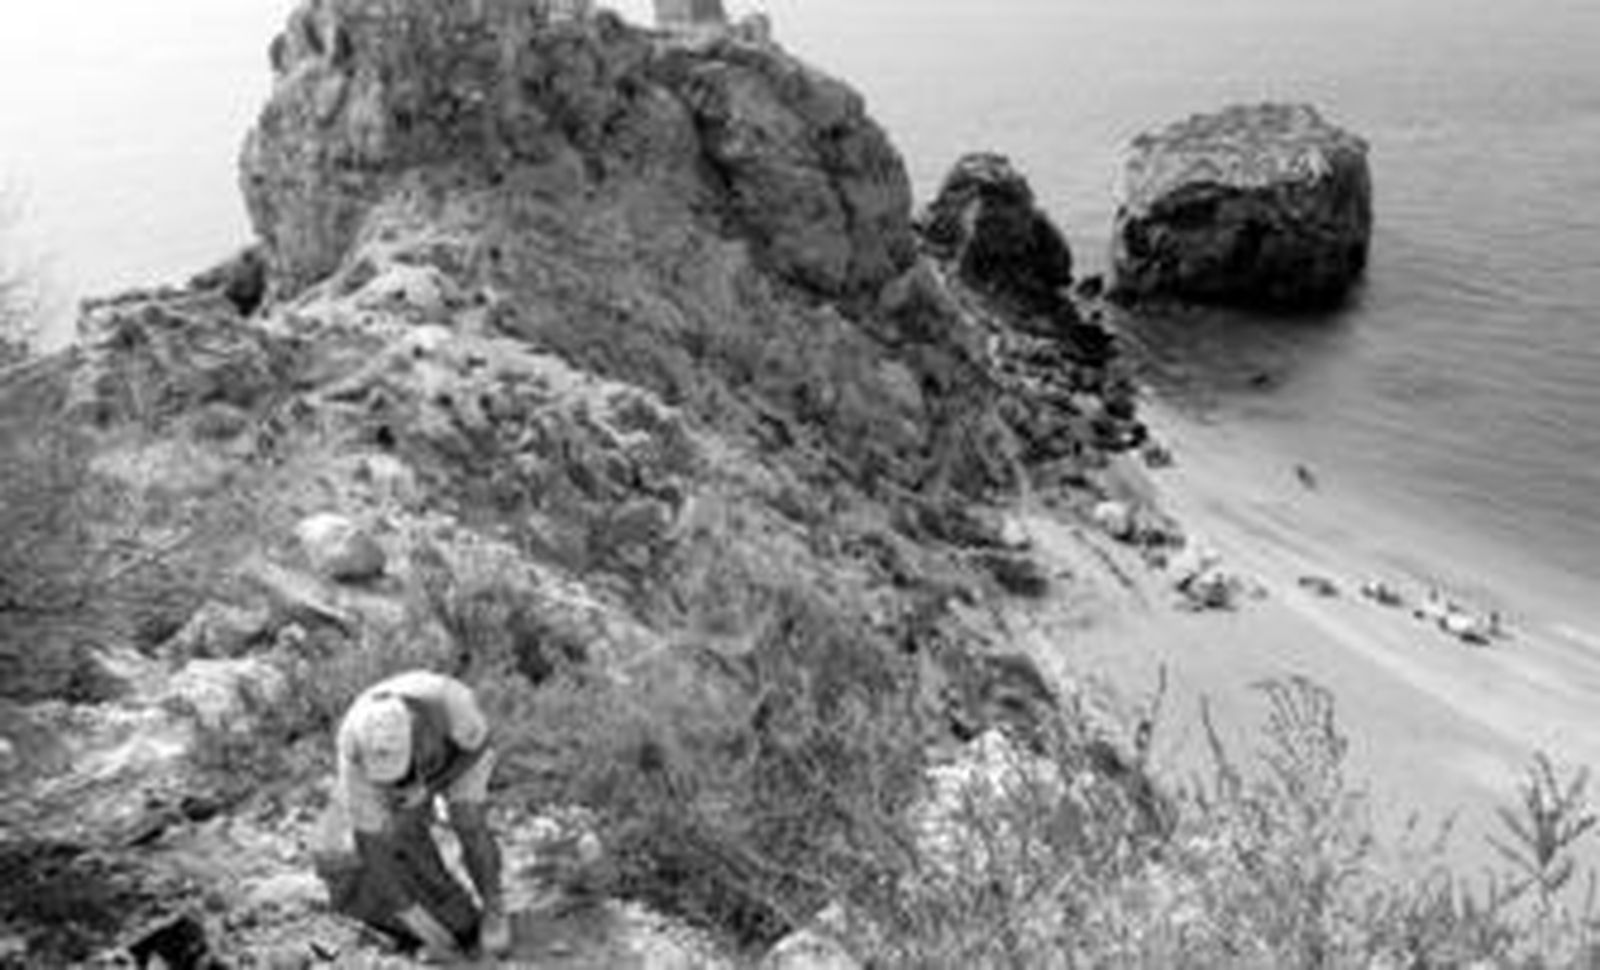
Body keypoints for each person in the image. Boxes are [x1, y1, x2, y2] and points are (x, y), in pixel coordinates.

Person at [313, 670, 512, 962]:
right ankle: (447, 905)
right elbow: (371, 845)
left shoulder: (451, 706)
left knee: (467, 819)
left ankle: (494, 907)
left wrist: (429, 788)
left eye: (400, 771)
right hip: (416, 767)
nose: (396, 782)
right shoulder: (353, 749)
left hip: (459, 758)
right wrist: (410, 913)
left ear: (415, 732)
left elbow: (478, 748)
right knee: (401, 829)